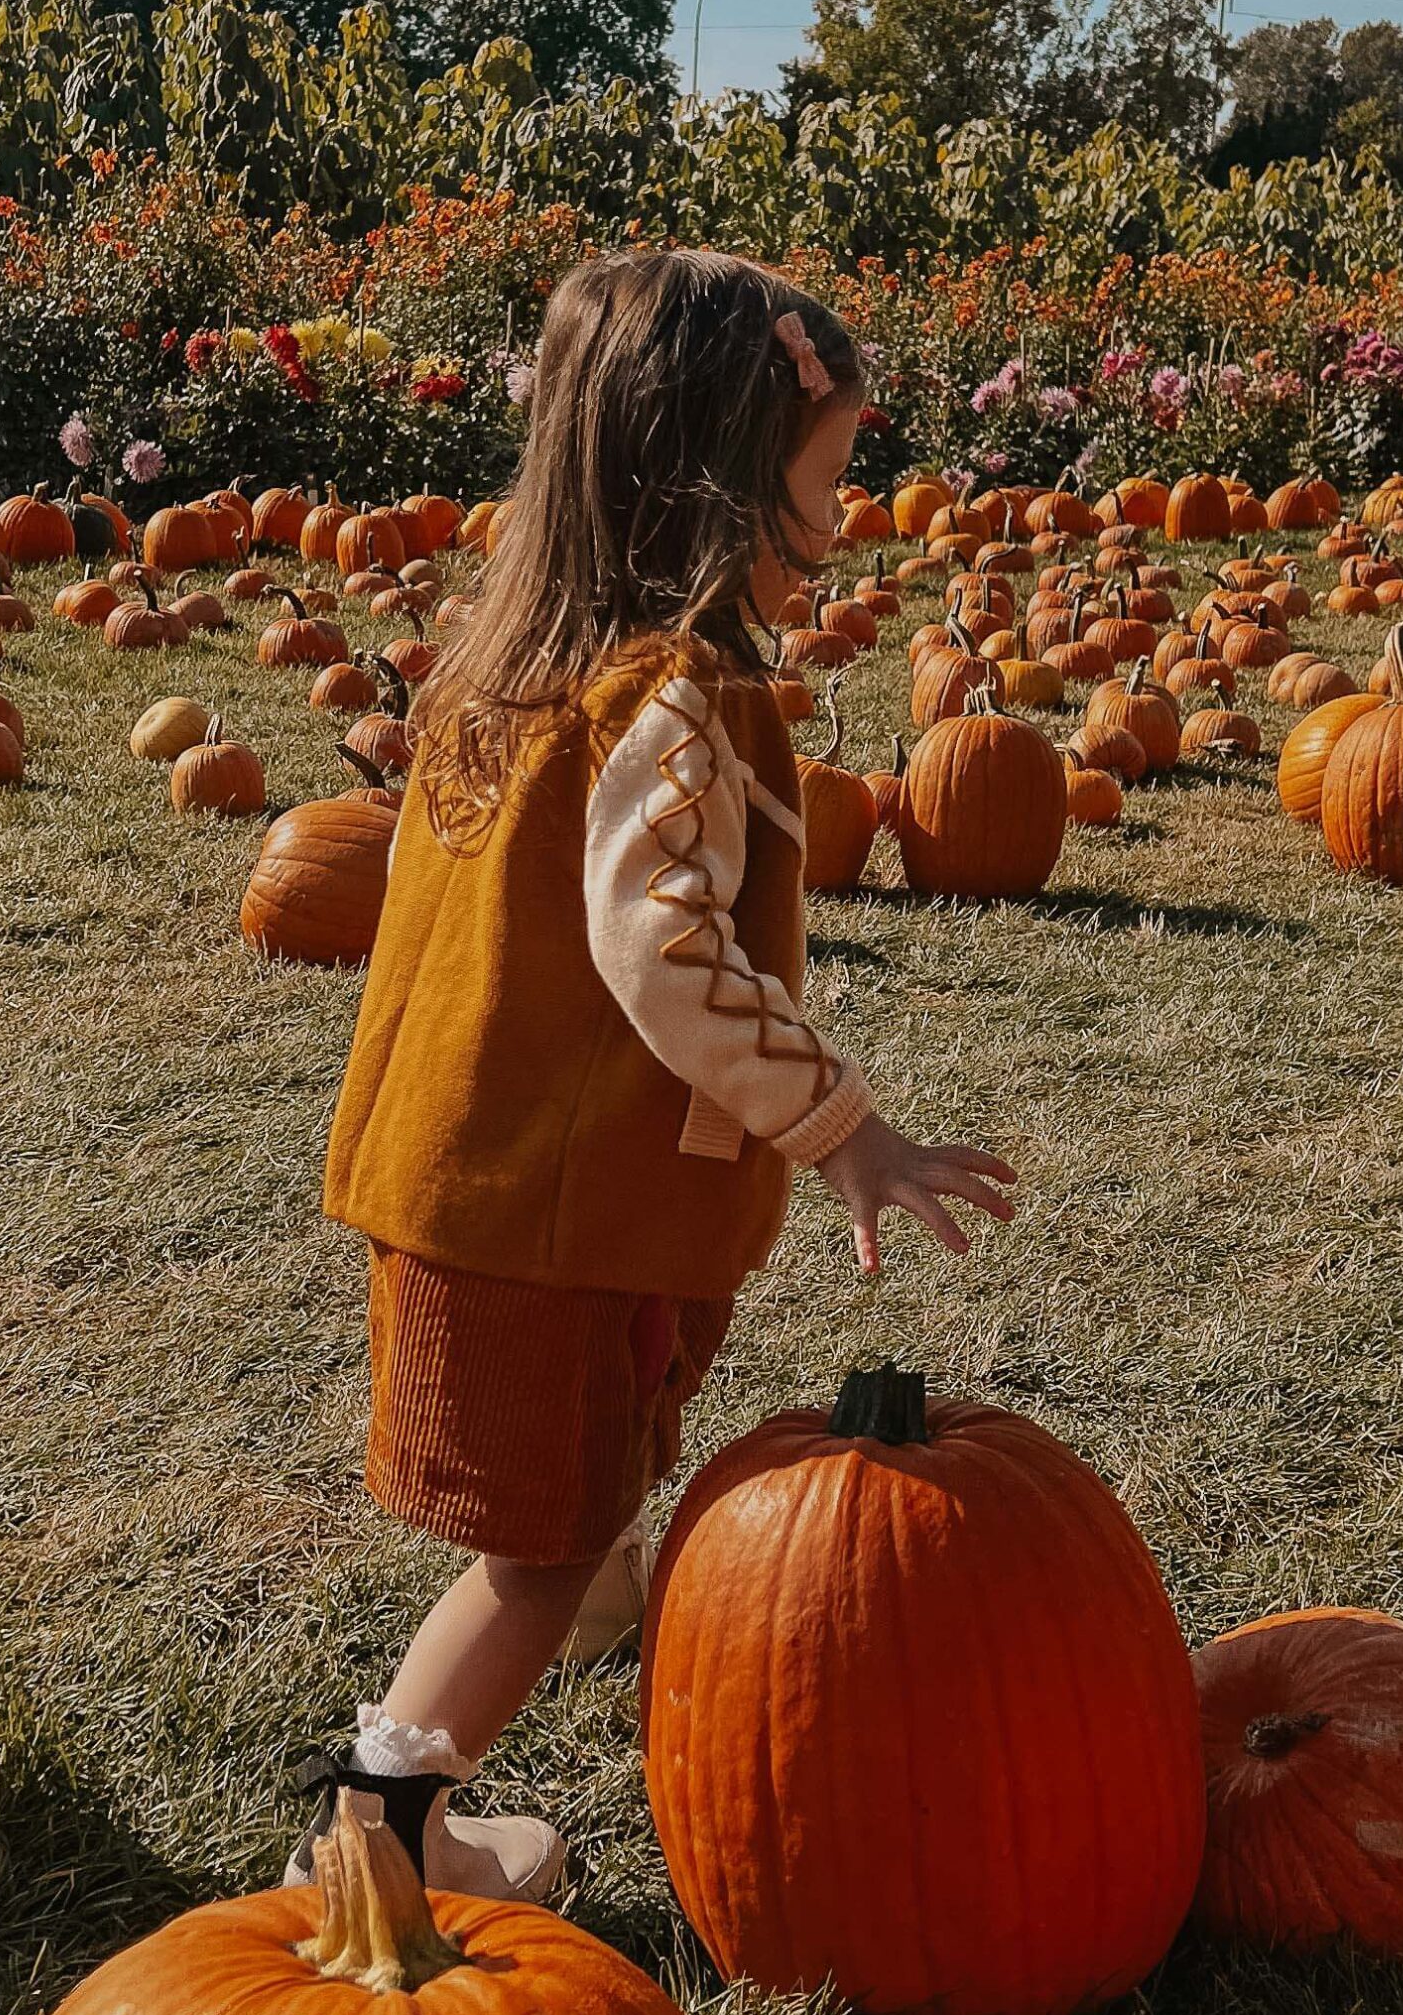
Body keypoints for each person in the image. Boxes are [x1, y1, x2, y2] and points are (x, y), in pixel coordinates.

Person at [301, 246, 1018, 1901]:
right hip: (547, 1216)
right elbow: (662, 952)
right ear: (717, 472)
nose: (843, 521)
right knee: (530, 1561)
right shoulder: (673, 695)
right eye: (828, 481)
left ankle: (604, 1569)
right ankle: (382, 1837)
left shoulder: (507, 673)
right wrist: (844, 1130)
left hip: (474, 1178)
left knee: (578, 1490)